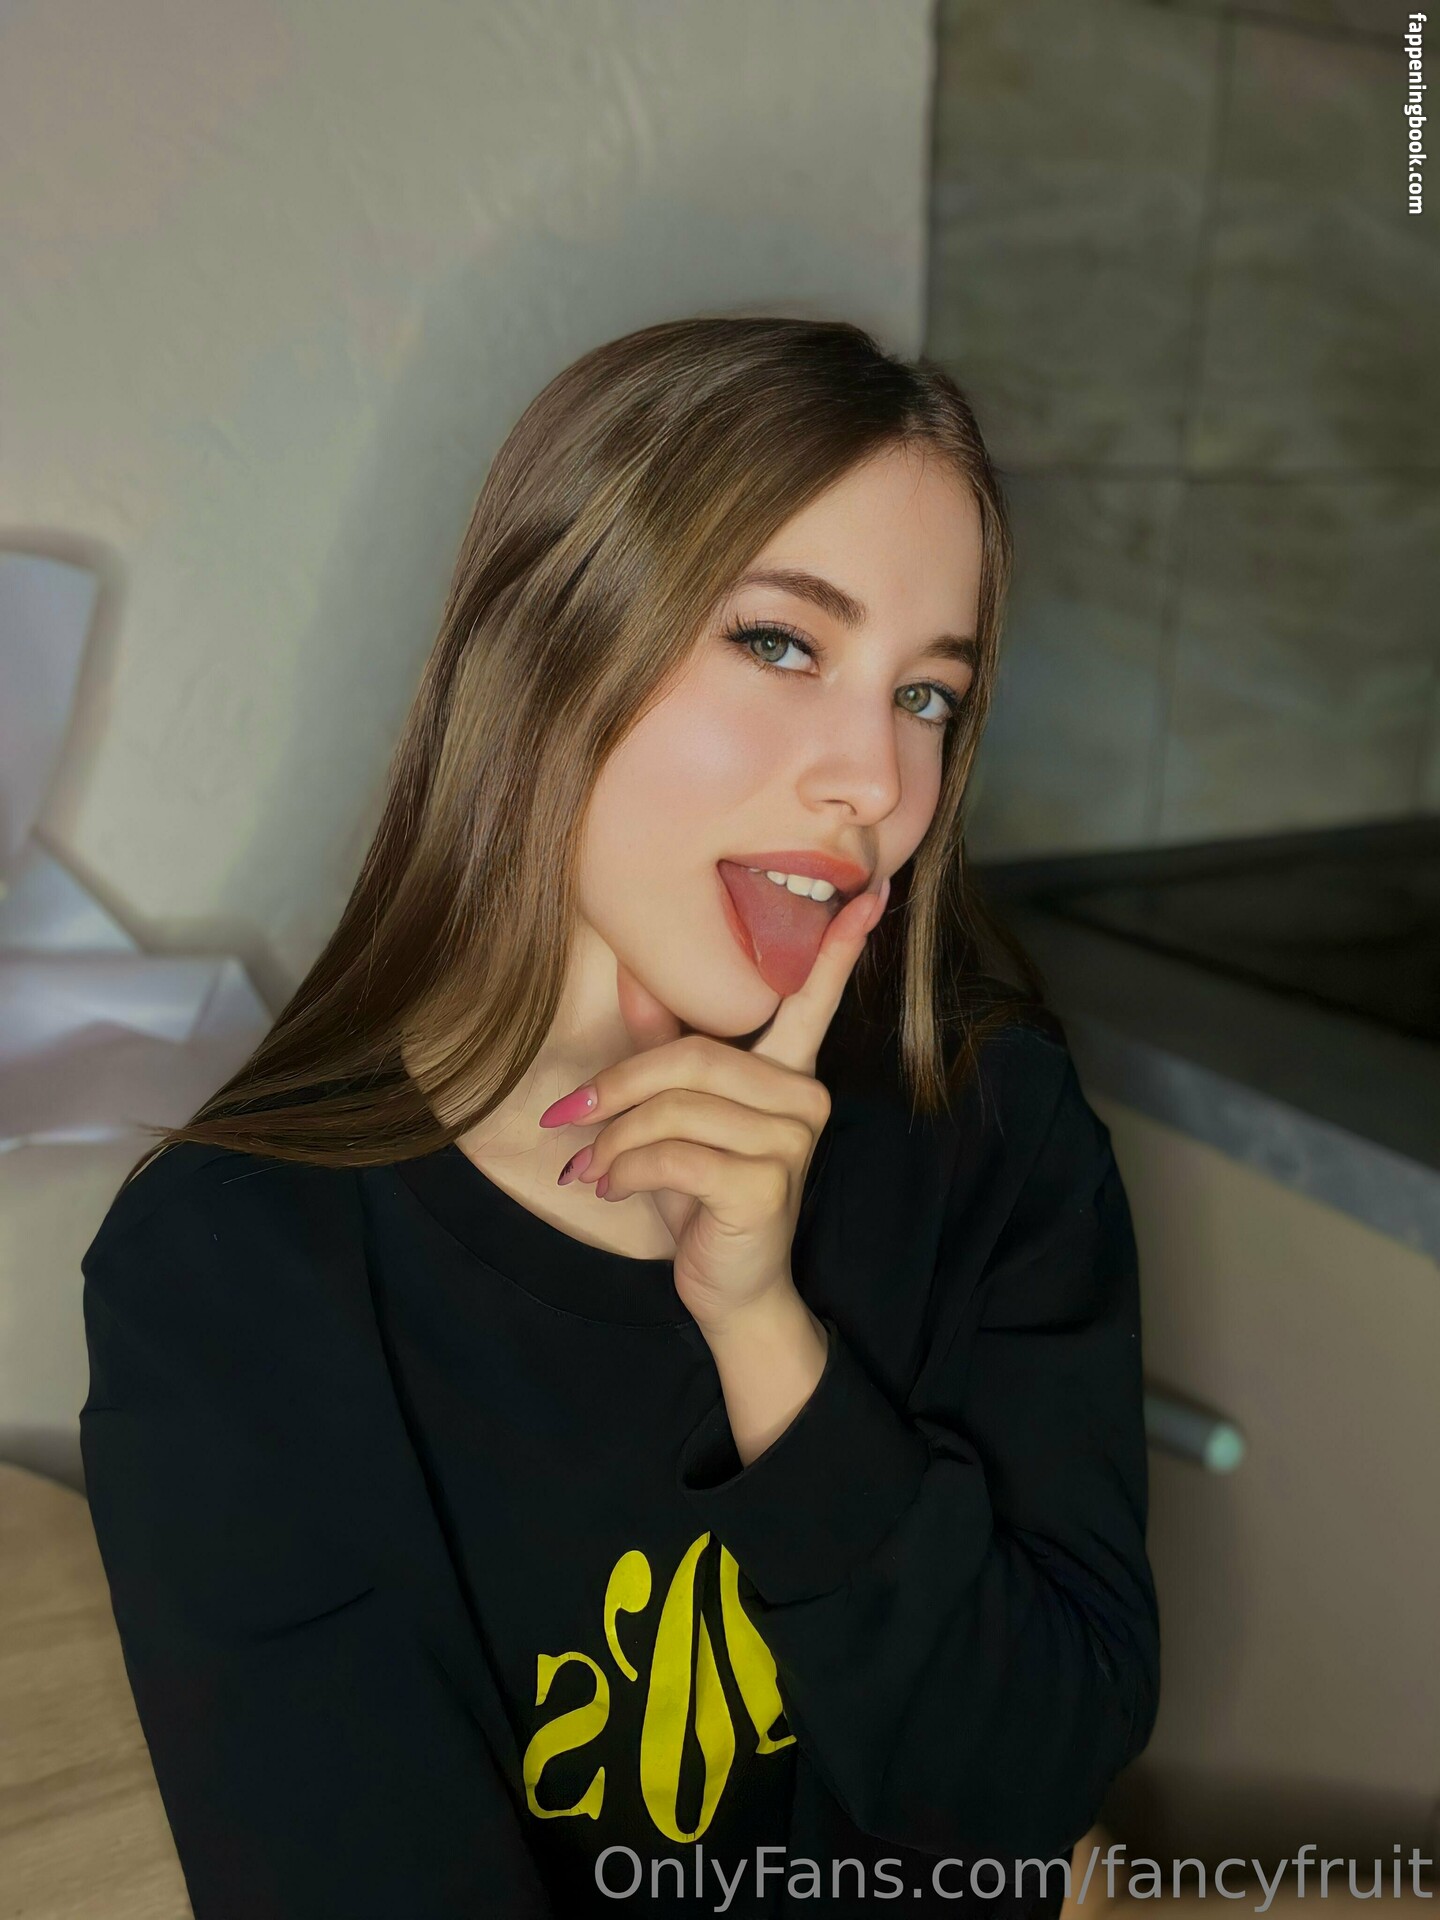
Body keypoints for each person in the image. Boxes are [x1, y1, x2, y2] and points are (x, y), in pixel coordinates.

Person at [79, 315, 1160, 1919]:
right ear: (547, 645)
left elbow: (1034, 1785)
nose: (876, 781)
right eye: (781, 643)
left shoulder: (997, 1128)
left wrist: (768, 1341)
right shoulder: (231, 1267)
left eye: (929, 696)